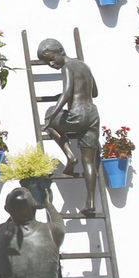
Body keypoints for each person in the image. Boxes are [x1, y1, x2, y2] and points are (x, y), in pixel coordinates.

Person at [39, 37, 100, 215]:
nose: (51, 64)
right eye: (47, 62)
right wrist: (80, 90)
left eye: (51, 59)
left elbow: (66, 94)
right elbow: (95, 92)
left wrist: (51, 117)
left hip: (77, 115)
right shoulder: (84, 66)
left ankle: (70, 156)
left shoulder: (67, 67)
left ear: (60, 51)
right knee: (89, 162)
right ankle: (90, 202)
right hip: (92, 115)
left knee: (49, 119)